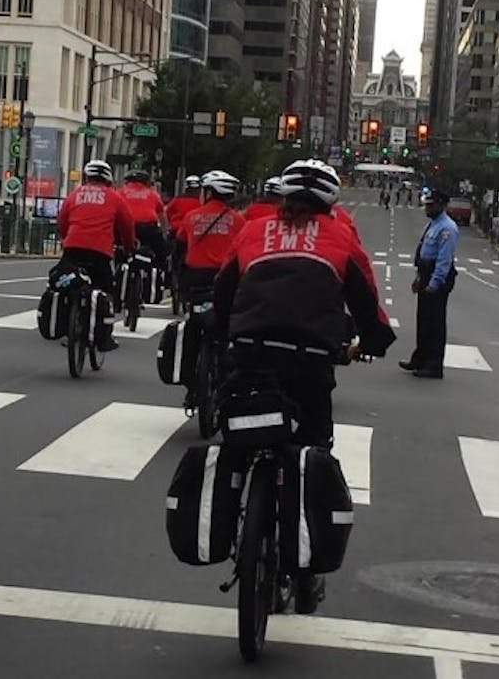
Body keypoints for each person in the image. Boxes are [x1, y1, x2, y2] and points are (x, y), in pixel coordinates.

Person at [212, 158, 395, 615]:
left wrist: (221, 337)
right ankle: (308, 575)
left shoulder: (253, 232)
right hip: (310, 364)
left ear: (284, 197)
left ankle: (230, 524)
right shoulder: (340, 237)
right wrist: (372, 342)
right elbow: (367, 303)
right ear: (330, 203)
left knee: (237, 443)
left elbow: (222, 293)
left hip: (250, 354)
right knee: (312, 450)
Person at [174, 170, 245, 406]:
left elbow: (180, 246)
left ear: (209, 192)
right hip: (226, 282)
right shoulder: (238, 221)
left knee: (193, 329)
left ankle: (189, 384)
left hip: (194, 282)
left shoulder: (192, 216)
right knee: (228, 331)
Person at [54, 159, 136, 352]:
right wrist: (128, 247)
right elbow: (127, 226)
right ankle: (103, 335)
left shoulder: (74, 195)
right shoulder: (115, 198)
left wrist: (66, 239)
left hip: (73, 248)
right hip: (100, 252)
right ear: (108, 179)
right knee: (106, 290)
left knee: (65, 283)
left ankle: (67, 325)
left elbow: (61, 222)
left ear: (86, 177)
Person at [399, 189, 459, 379]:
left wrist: (435, 282)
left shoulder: (447, 228)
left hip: (436, 276)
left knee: (434, 322)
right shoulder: (433, 225)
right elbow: (424, 252)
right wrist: (419, 277)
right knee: (423, 319)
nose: (427, 208)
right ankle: (420, 358)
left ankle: (433, 365)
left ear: (441, 205)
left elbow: (443, 259)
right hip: (426, 273)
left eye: (431, 205)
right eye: (426, 204)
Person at [120, 170, 168, 259]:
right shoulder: (153, 194)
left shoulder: (120, 192)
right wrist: (164, 233)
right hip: (148, 228)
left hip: (126, 228)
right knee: (161, 253)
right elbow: (162, 217)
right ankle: (162, 268)